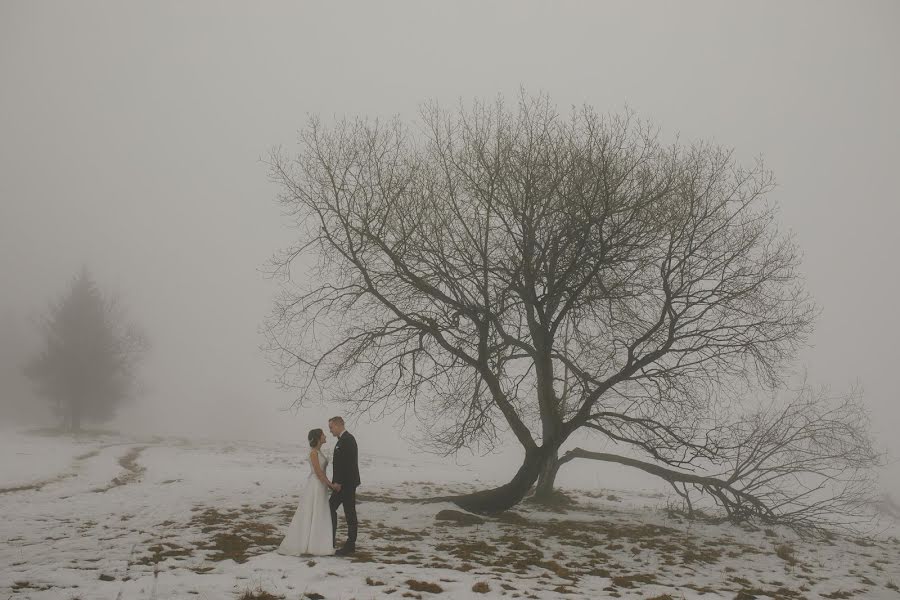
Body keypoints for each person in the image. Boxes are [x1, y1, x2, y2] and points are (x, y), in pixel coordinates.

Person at [277, 428, 338, 556]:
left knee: (319, 512)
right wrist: (331, 485)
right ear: (318, 437)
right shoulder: (313, 453)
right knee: (312, 512)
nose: (325, 436)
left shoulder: (319, 451)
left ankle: (317, 542)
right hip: (315, 485)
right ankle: (307, 543)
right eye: (323, 434)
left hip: (321, 486)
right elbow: (319, 473)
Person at [328, 416, 360, 556]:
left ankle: (350, 544)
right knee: (330, 508)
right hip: (341, 484)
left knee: (349, 513)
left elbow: (348, 464)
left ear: (339, 425)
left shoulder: (348, 439)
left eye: (331, 427)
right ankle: (330, 540)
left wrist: (339, 482)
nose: (330, 431)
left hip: (346, 485)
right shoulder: (343, 440)